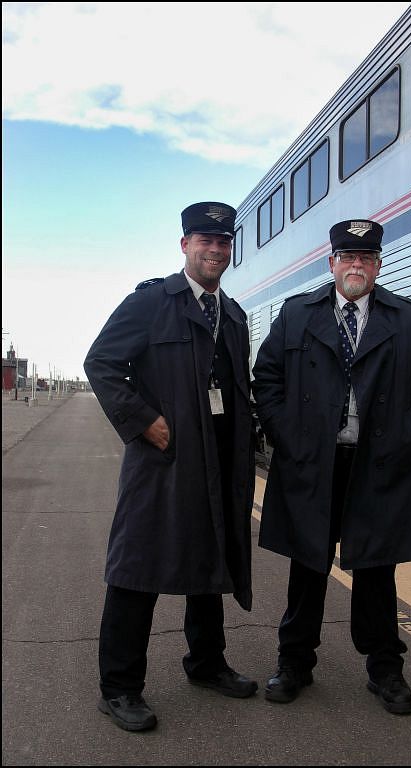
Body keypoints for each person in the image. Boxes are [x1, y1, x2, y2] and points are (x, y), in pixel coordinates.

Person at [252, 218, 411, 715]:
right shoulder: (298, 314)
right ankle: (294, 662)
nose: (355, 265)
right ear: (332, 262)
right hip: (313, 464)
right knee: (307, 567)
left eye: (365, 258)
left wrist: (409, 440)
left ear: (378, 264)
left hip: (379, 466)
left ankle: (385, 669)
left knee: (378, 572)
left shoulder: (406, 318)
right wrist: (286, 436)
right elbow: (267, 376)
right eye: (346, 256)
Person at [84, 201, 257, 732]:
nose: (215, 249)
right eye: (204, 240)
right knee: (136, 571)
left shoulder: (234, 316)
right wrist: (143, 421)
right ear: (184, 246)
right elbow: (101, 363)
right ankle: (118, 687)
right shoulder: (150, 303)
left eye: (223, 241)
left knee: (209, 566)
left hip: (218, 460)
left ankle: (205, 664)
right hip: (161, 462)